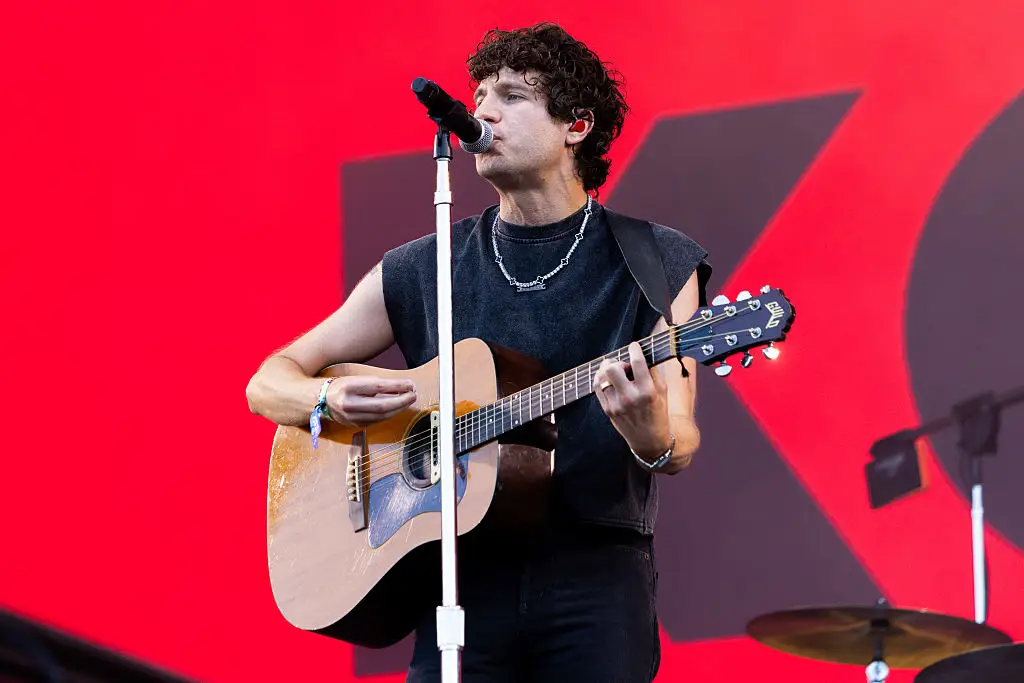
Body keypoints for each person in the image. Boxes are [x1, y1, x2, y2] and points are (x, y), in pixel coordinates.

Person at [246, 22, 710, 682]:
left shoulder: (656, 260)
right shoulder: (421, 266)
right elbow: (267, 381)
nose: (483, 110)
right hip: (462, 581)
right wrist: (326, 396)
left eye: (513, 96)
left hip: (596, 583)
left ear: (576, 126)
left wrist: (649, 434)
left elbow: (681, 441)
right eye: (480, 92)